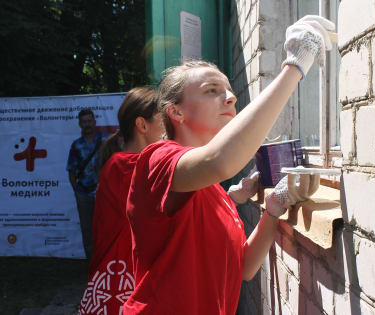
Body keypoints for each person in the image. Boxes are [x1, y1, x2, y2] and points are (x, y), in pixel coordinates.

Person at [123, 15, 335, 314]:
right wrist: (295, 65)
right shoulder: (156, 160)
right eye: (212, 90)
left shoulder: (214, 192)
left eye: (229, 90)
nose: (231, 98)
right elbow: (221, 160)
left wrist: (274, 207)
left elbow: (245, 267)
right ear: (176, 112)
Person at [78, 87, 165, 315]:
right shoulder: (126, 166)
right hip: (120, 283)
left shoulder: (125, 164)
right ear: (142, 125)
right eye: (163, 119)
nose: (169, 127)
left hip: (122, 279)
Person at [67, 108, 108, 259]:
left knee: (107, 228)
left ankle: (107, 262)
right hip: (84, 194)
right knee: (87, 230)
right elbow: (71, 171)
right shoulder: (76, 145)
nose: (87, 124)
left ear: (94, 122)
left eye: (89, 121)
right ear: (80, 124)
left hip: (105, 194)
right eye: (84, 122)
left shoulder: (106, 140)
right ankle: (92, 265)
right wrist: (77, 193)